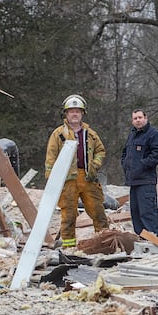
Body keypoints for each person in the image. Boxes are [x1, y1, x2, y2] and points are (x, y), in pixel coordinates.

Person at [45, 94, 109, 248]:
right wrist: (51, 179)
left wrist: (95, 165)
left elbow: (100, 150)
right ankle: (69, 247)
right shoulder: (58, 134)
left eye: (78, 111)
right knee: (69, 215)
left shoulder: (91, 134)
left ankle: (105, 243)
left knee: (98, 212)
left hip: (88, 178)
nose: (74, 114)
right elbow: (51, 157)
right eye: (71, 111)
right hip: (67, 180)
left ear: (82, 114)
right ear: (66, 114)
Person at [121, 109, 158, 236]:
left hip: (146, 181)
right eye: (135, 118)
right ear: (132, 121)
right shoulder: (132, 134)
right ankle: (141, 241)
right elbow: (125, 153)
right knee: (135, 213)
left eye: (140, 117)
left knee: (147, 212)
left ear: (145, 118)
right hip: (133, 181)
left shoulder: (153, 133)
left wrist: (142, 165)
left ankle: (153, 240)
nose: (138, 120)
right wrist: (125, 164)